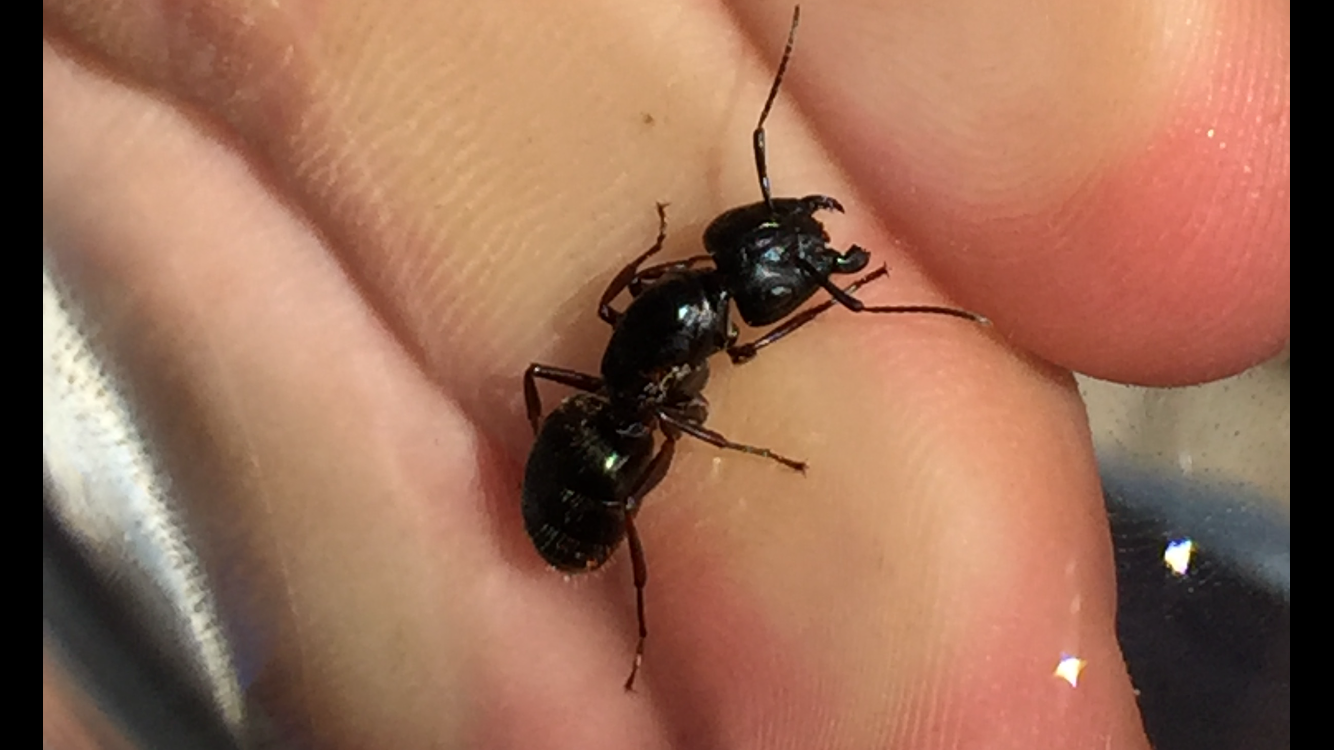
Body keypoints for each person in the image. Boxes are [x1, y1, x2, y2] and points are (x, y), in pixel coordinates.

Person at [43, 1, 1288, 747]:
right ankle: (631, 598)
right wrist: (745, 422)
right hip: (589, 461)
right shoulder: (679, 333)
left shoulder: (661, 309)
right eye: (787, 266)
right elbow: (686, 335)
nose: (793, 258)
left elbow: (653, 304)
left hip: (607, 412)